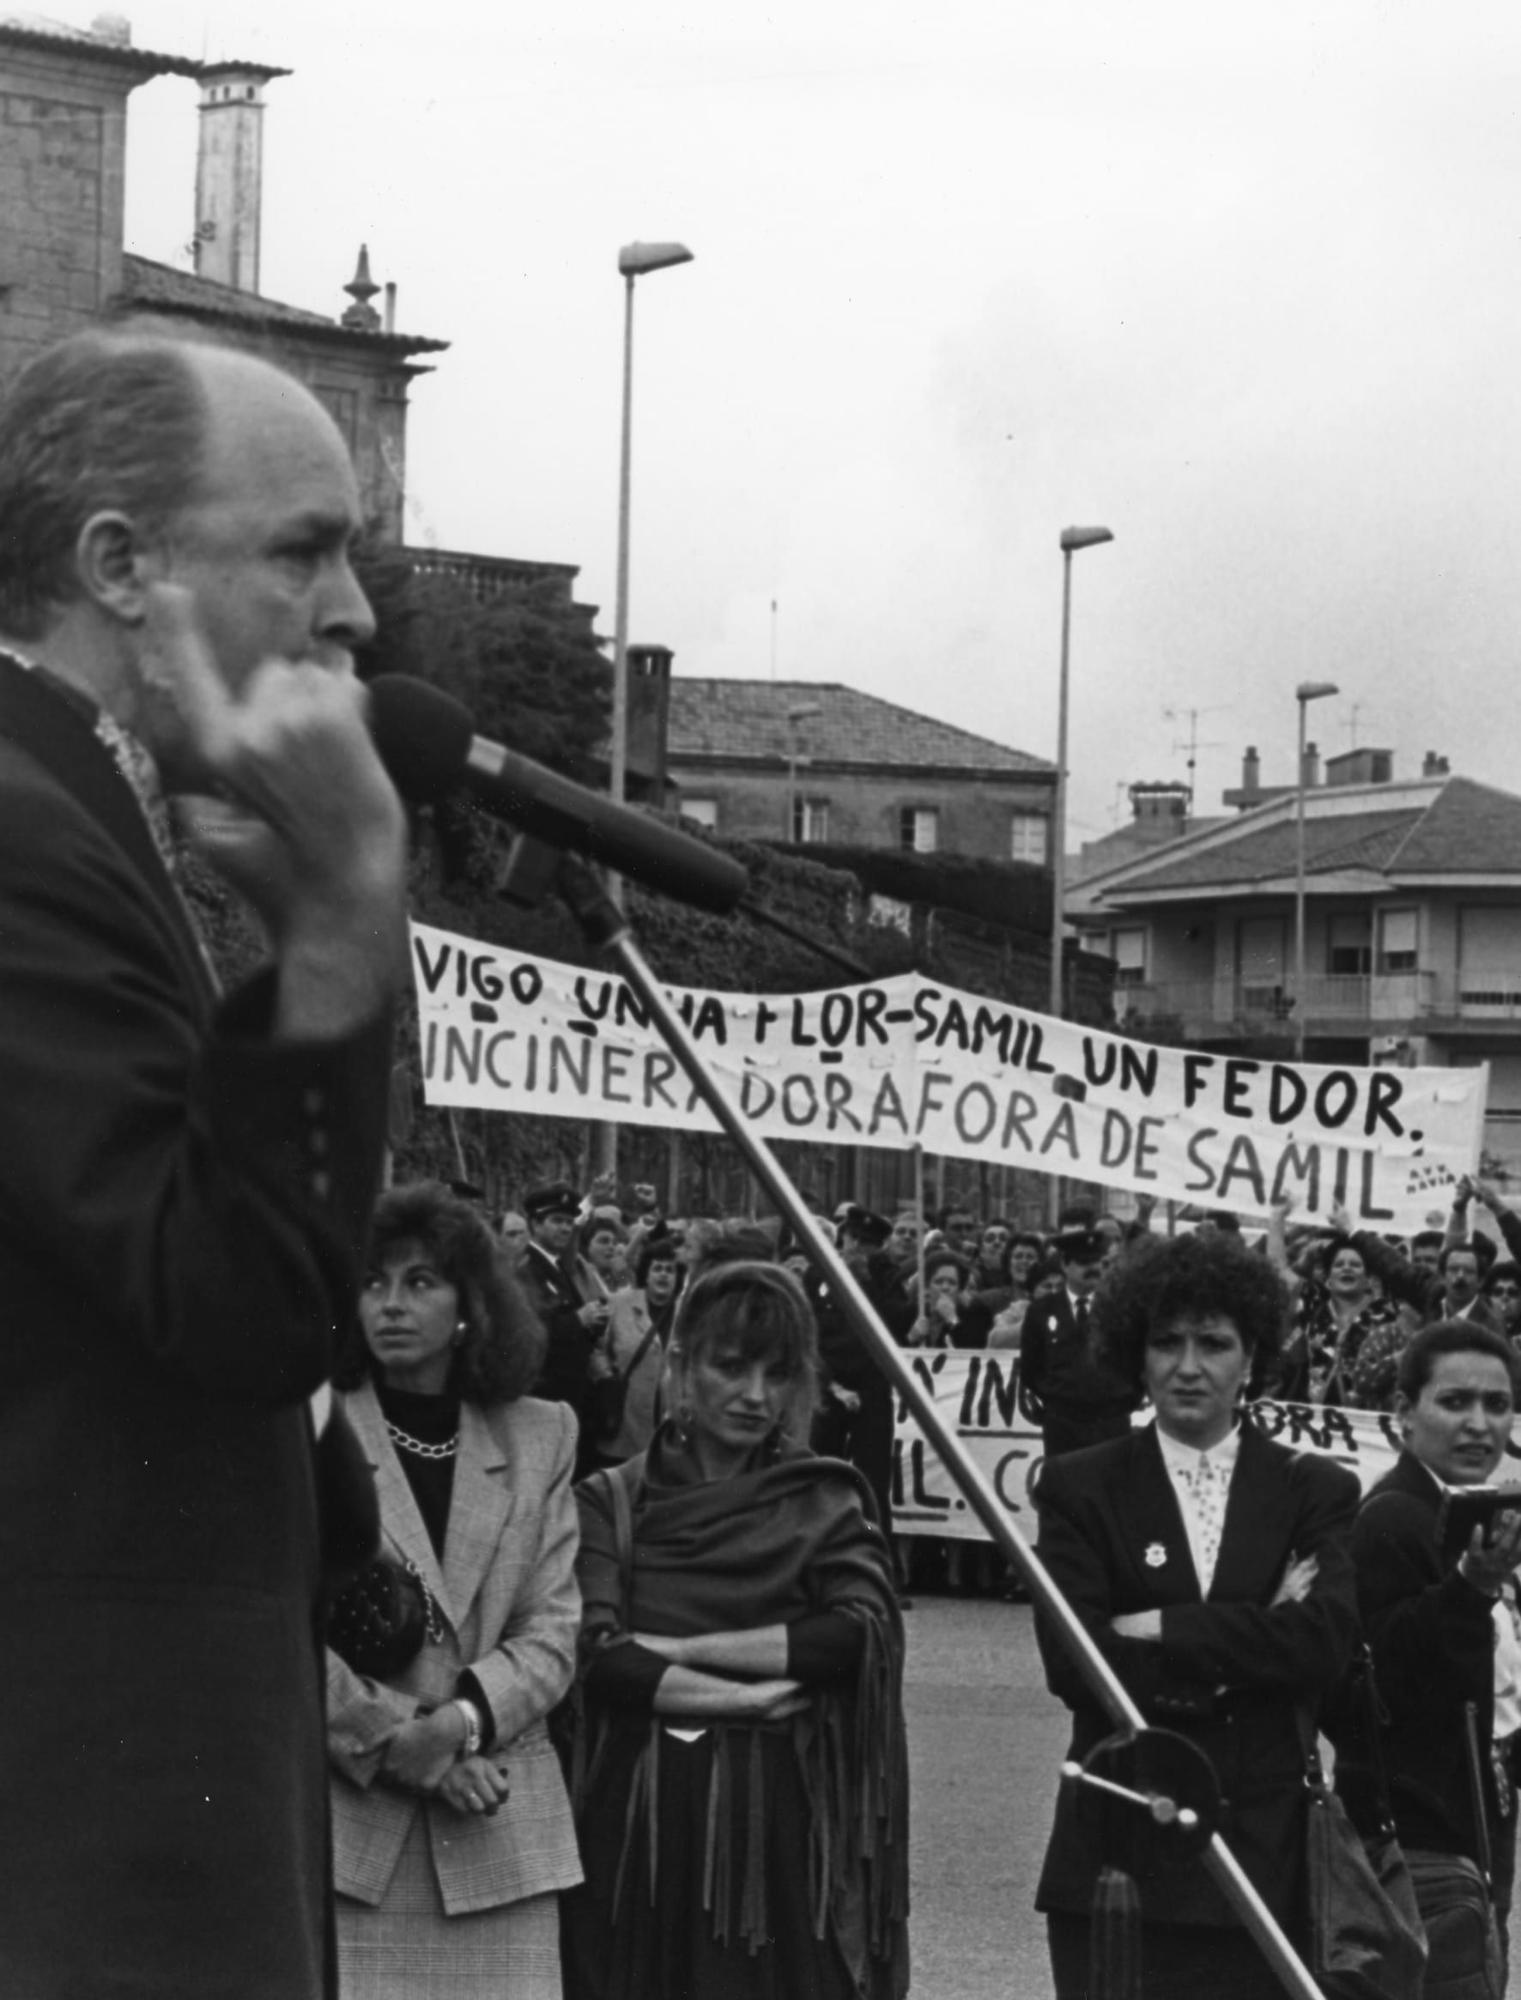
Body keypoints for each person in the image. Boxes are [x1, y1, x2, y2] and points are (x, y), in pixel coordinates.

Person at [0, 322, 407, 1995]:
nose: (354, 613)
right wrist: (334, 931)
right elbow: (227, 1300)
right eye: (302, 547)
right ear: (120, 565)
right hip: (92, 1832)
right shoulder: (23, 834)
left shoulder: (79, 818)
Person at [562, 1260, 910, 2000]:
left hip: (785, 1821)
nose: (755, 1396)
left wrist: (680, 1651)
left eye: (777, 1373)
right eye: (730, 1367)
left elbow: (855, 1636)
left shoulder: (824, 1498)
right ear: (682, 1365)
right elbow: (598, 1659)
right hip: (640, 1821)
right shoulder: (608, 1501)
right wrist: (744, 1702)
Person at [1033, 1232, 1360, 1999]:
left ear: (1252, 1356)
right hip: (1118, 1853)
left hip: (1262, 1859)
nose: (1187, 1365)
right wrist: (1252, 1637)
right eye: (1165, 1342)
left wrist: (1163, 1628)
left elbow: (1322, 1646)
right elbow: (1074, 1664)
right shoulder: (1080, 1487)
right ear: (1134, 1355)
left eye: (1213, 1343)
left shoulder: (1312, 1489)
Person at [326, 1182, 581, 1998]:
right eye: (372, 1282)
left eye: (420, 1281)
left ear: (471, 1305)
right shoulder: (309, 1432)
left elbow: (553, 1629)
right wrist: (406, 1742)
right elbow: (280, 1637)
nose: (391, 1304)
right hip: (348, 1841)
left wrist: (463, 1725)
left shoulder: (542, 1435)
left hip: (499, 1836)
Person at [1341, 1322, 1521, 1973]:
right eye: (1454, 1403)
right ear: (1402, 1414)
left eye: (1496, 1405)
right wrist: (1468, 1590)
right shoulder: (1394, 1516)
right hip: (1413, 1829)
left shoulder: (1473, 1511)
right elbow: (1377, 1683)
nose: (1478, 1424)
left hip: (1477, 1807)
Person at [1018, 1225, 1140, 1456]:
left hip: (1111, 1422)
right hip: (1063, 1424)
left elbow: (1137, 1364)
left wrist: (1120, 1401)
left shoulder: (1122, 1307)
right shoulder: (1042, 1310)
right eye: (1083, 1262)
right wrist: (1058, 1400)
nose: (1092, 1268)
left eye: (1097, 1261)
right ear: (1065, 1265)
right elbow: (1031, 1369)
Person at [589, 1232, 681, 1469]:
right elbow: (597, 1348)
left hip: (667, 1424)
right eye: (657, 1268)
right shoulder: (620, 1303)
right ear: (646, 1274)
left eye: (670, 1270)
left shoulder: (687, 1311)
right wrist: (608, 1378)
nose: (663, 1275)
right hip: (623, 1420)